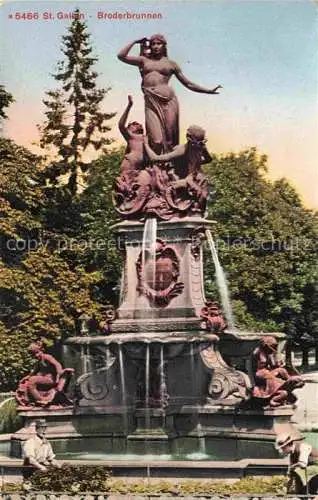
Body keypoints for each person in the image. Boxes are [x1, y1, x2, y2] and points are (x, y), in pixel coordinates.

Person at [118, 35, 222, 154]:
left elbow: (188, 84)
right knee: (156, 140)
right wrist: (135, 41)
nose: (156, 46)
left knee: (170, 138)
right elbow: (121, 56)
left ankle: (169, 168)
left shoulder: (171, 64)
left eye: (159, 43)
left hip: (169, 102)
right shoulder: (143, 61)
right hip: (151, 102)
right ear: (150, 46)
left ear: (164, 46)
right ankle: (155, 164)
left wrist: (208, 90)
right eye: (153, 44)